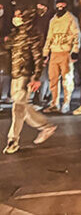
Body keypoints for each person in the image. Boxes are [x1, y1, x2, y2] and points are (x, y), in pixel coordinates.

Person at [3, 9, 57, 154]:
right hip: (16, 75)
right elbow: (6, 48)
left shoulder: (32, 36)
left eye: (19, 15)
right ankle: (45, 126)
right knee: (22, 107)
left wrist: (36, 77)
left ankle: (12, 140)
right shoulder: (16, 34)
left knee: (18, 108)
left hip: (25, 75)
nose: (16, 18)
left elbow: (38, 59)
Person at [42, 0, 81, 114]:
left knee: (67, 79)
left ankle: (66, 103)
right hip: (54, 52)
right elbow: (49, 37)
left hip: (66, 53)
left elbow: (76, 35)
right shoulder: (53, 20)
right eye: (58, 5)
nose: (60, 8)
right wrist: (45, 53)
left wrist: (75, 51)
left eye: (62, 5)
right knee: (53, 79)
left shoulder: (71, 19)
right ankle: (54, 103)